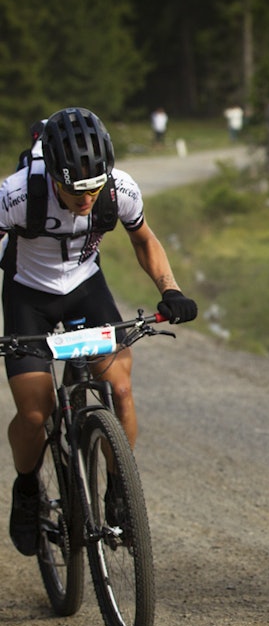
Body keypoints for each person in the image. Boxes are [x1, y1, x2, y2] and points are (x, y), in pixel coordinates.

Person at [2, 107, 198, 556]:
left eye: (94, 187)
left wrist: (171, 289)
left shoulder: (120, 188)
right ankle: (28, 489)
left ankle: (117, 489)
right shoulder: (15, 195)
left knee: (120, 388)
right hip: (27, 297)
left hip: (85, 289)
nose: (87, 198)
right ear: (53, 174)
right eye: (75, 189)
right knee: (35, 413)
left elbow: (144, 239)